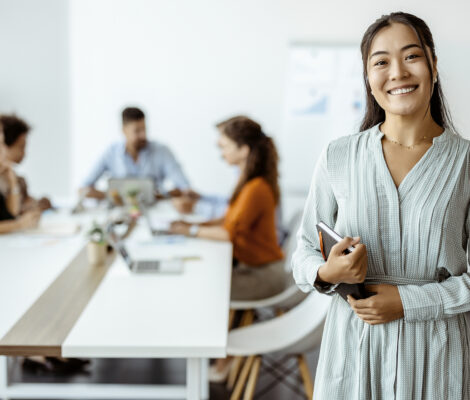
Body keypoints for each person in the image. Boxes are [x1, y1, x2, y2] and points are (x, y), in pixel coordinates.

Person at [293, 12, 470, 399]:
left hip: (435, 357)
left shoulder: (466, 163)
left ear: (434, 67)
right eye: (381, 62)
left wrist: (408, 302)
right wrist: (327, 270)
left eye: (411, 56)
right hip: (353, 352)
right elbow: (302, 253)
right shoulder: (338, 156)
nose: (397, 73)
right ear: (369, 79)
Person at [171, 115, 285, 298]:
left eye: (225, 147)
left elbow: (229, 234)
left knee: (199, 289)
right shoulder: (248, 182)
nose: (221, 153)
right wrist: (192, 226)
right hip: (252, 268)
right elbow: (229, 220)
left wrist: (190, 230)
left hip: (263, 275)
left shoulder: (256, 188)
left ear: (243, 150)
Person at [81, 107, 190, 199]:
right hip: (120, 211)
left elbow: (185, 187)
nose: (143, 135)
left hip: (155, 209)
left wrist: (158, 196)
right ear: (124, 130)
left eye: (144, 129)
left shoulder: (162, 151)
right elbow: (83, 189)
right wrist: (114, 196)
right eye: (137, 131)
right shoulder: (111, 153)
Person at [0, 114, 53, 212]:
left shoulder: (18, 179)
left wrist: (37, 204)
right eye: (21, 147)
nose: (24, 153)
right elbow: (12, 214)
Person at [0, 121, 40, 233]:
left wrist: (13, 181)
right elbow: (14, 216)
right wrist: (19, 224)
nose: (3, 150)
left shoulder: (14, 177)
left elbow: (12, 213)